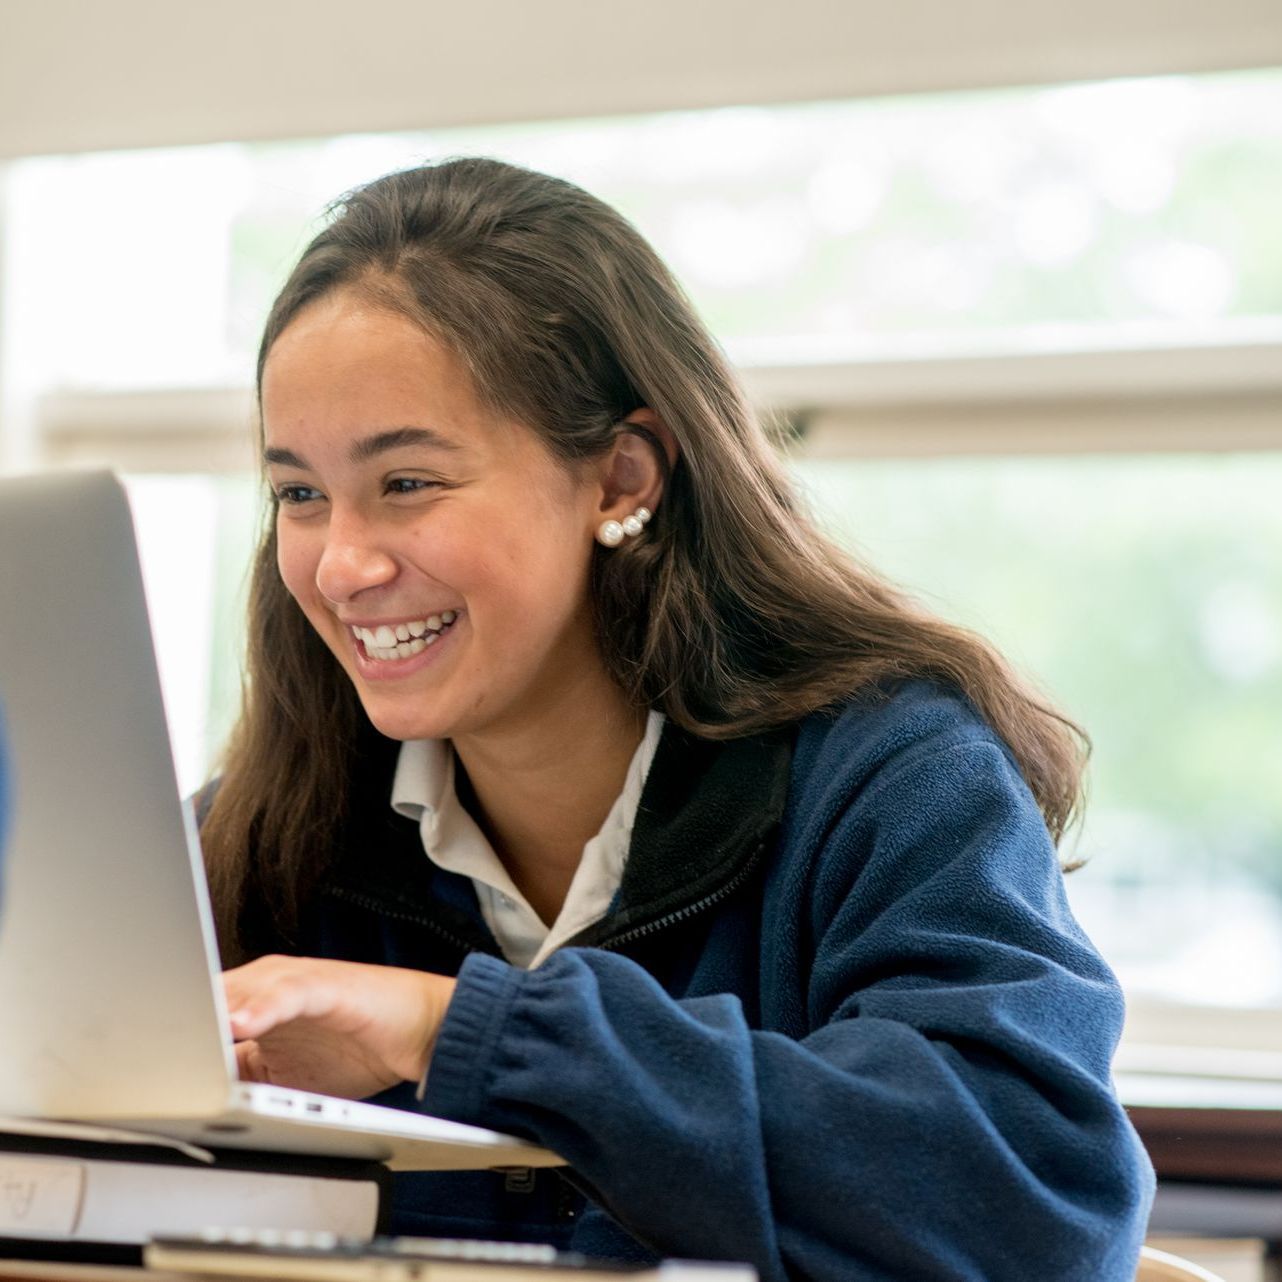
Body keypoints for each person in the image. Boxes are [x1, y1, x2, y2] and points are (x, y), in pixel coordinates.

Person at [200, 157, 1154, 1281]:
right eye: (299, 493)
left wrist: (452, 1029)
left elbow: (1035, 1198)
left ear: (619, 479)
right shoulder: (266, 827)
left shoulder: (893, 774)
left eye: (406, 481)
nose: (342, 563)